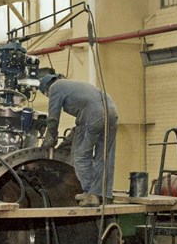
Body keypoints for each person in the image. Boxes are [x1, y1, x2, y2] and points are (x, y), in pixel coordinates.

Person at [39, 74, 118, 207]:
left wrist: (50, 138)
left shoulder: (55, 87)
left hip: (93, 114)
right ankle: (103, 194)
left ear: (46, 90)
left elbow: (53, 118)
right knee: (105, 156)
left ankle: (90, 194)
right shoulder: (75, 85)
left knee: (80, 156)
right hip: (112, 111)